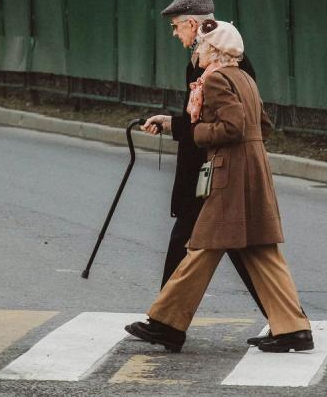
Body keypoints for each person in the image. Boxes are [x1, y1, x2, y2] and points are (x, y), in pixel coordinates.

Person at [126, 20, 314, 353]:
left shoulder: (215, 80)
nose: (195, 50)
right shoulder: (243, 79)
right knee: (261, 251)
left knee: (201, 247)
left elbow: (233, 126)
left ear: (213, 50)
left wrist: (199, 135)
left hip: (229, 175)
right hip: (253, 170)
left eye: (200, 45)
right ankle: (294, 330)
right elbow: (263, 125)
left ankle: (167, 324)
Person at [141, 0, 271, 346]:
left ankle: (166, 323)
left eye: (176, 27)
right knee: (212, 246)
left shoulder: (219, 67)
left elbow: (228, 124)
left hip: (216, 173)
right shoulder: (207, 63)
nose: (175, 34)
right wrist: (171, 123)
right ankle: (165, 324)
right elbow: (198, 119)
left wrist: (176, 125)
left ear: (194, 24)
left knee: (214, 246)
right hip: (210, 171)